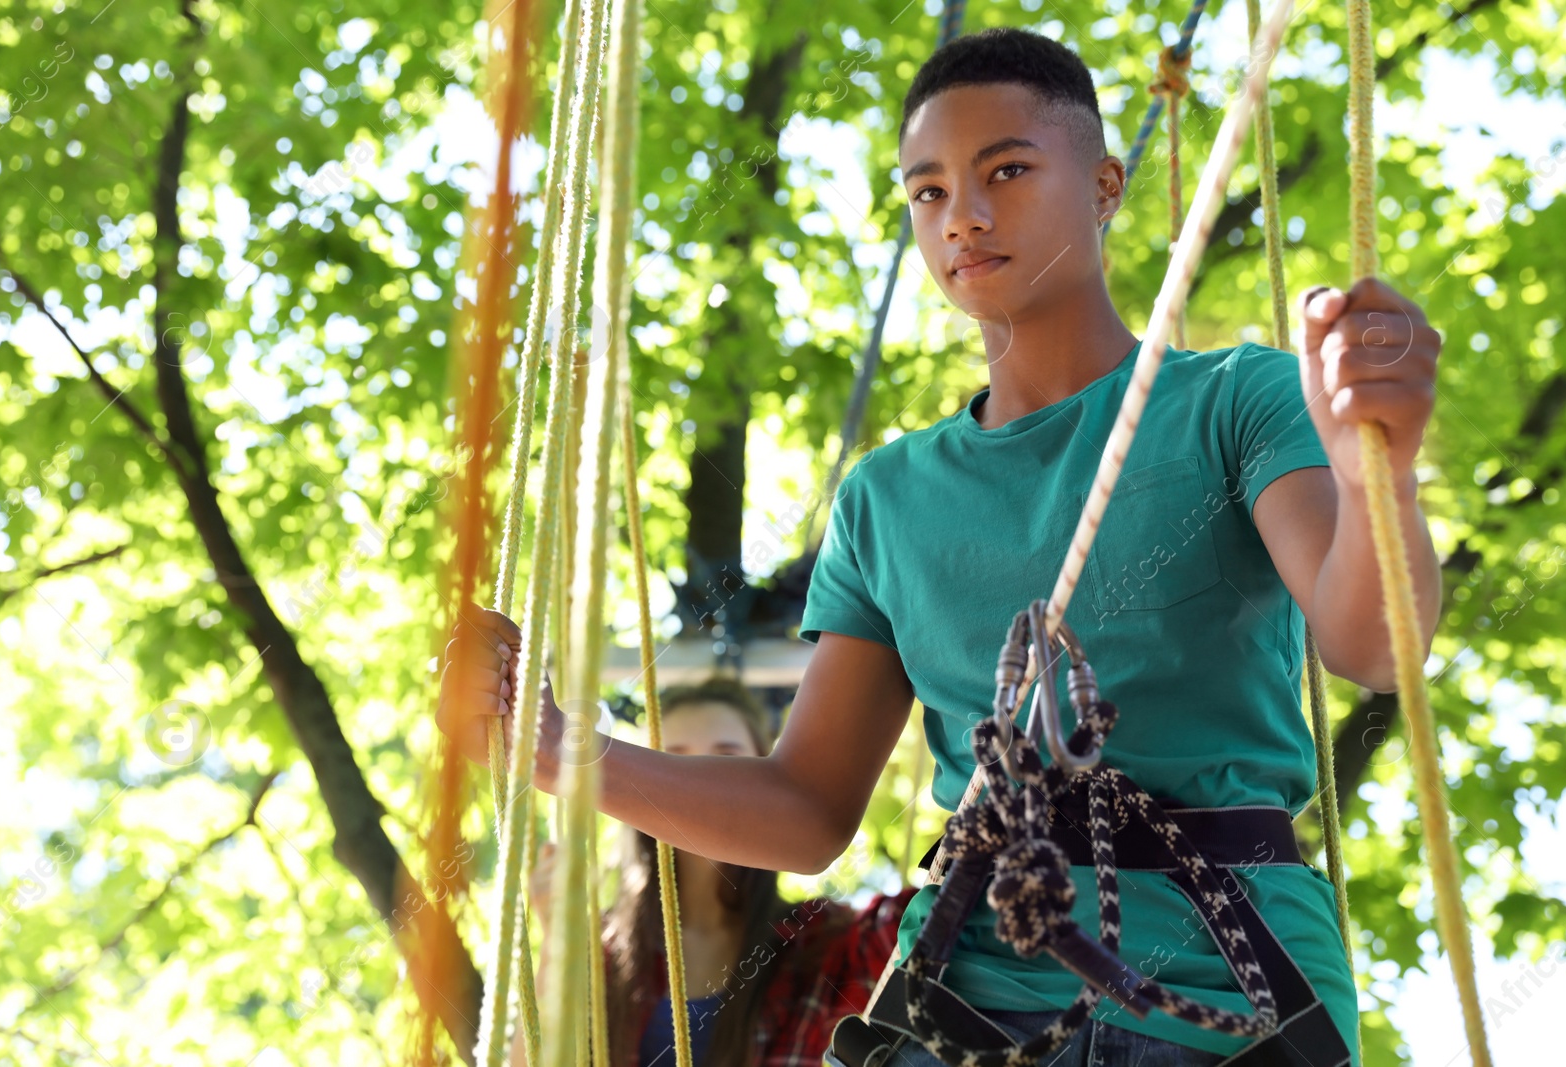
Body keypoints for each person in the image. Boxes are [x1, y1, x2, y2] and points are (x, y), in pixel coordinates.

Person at [439, 26, 1443, 1067]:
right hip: (958, 1005)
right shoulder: (885, 498)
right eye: (926, 191)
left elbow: (1372, 647)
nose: (961, 214)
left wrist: (1383, 472)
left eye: (1005, 170)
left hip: (1222, 991)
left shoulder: (1237, 401)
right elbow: (804, 809)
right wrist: (558, 747)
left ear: (1104, 185)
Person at [495, 676, 913, 1067]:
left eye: (725, 759)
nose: (698, 783)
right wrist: (556, 943)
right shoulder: (601, 952)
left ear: (769, 781)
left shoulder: (825, 942)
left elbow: (936, 920)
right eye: (673, 762)